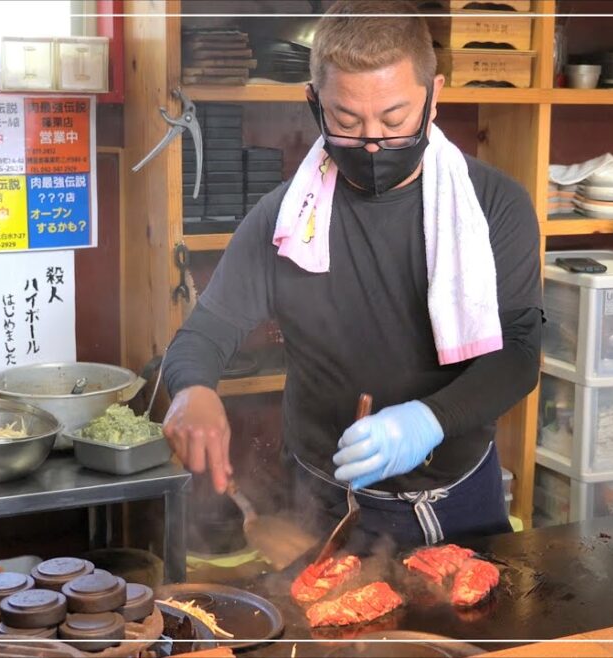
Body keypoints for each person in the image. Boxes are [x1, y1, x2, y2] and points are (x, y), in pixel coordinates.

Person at [162, 0, 543, 548]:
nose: (371, 142)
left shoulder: (493, 205)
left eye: (394, 119)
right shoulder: (287, 220)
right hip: (323, 504)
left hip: (459, 498)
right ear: (314, 104)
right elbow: (204, 334)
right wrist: (191, 390)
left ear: (434, 97)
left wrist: (429, 420)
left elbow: (521, 352)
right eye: (346, 120)